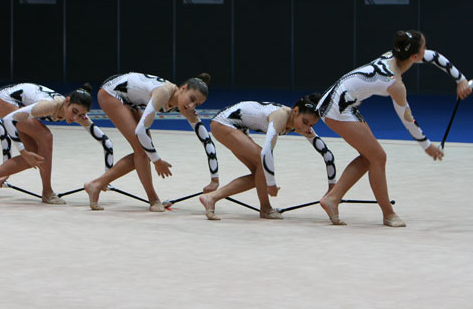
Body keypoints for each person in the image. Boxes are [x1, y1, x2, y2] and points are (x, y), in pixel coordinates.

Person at [317, 30, 472, 227]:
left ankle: (332, 199)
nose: (427, 51)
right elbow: (408, 120)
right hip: (336, 109)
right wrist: (427, 146)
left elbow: (436, 57)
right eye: (424, 47)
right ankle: (388, 214)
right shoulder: (395, 84)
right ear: (415, 57)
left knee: (370, 157)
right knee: (378, 157)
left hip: (338, 101)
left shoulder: (392, 55)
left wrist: (460, 80)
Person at [84, 72, 219, 212]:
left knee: (144, 151)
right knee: (143, 150)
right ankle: (151, 198)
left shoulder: (185, 105)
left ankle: (97, 185)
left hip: (128, 97)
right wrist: (157, 161)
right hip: (111, 92)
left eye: (196, 104)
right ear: (183, 88)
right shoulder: (164, 92)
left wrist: (214, 179)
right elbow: (140, 131)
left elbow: (206, 140)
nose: (191, 106)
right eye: (191, 99)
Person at [0, 83, 113, 204]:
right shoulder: (49, 106)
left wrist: (107, 177)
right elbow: (8, 120)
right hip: (5, 99)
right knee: (45, 136)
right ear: (67, 101)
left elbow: (106, 142)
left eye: (80, 115)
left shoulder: (78, 114)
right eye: (74, 112)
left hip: (16, 100)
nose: (76, 118)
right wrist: (22, 152)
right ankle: (47, 192)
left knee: (33, 155)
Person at [199, 95, 336, 220]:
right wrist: (271, 184)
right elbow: (266, 152)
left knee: (259, 177)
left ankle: (211, 198)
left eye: (311, 125)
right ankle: (265, 209)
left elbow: (327, 154)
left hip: (236, 127)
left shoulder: (299, 124)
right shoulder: (280, 116)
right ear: (295, 111)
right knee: (262, 163)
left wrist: (332, 188)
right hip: (223, 123)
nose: (307, 128)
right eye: (305, 122)